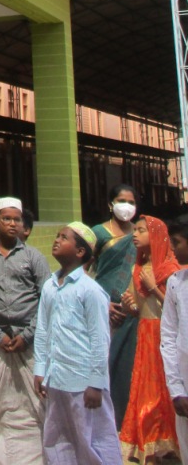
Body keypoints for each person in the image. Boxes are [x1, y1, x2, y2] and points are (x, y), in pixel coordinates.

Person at [33, 221, 121, 465]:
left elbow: (100, 339)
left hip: (84, 383)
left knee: (93, 440)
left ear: (81, 251)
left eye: (64, 237)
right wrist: (40, 369)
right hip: (56, 379)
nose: (57, 240)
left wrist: (96, 383)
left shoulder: (90, 290)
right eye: (57, 236)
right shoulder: (49, 286)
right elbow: (43, 329)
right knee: (58, 439)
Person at [0, 196, 50, 465]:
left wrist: (27, 335)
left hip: (30, 343)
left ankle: (41, 453)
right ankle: (4, 453)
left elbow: (47, 299)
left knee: (38, 400)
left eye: (17, 219)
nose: (13, 224)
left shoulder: (33, 257)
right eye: (7, 219)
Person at [119, 215, 180, 463]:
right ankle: (150, 443)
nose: (135, 234)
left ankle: (171, 441)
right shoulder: (138, 269)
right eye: (134, 230)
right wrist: (129, 306)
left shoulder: (171, 270)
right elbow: (137, 309)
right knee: (146, 391)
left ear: (156, 235)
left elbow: (177, 309)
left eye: (141, 230)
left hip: (166, 336)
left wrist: (154, 288)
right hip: (145, 334)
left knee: (166, 389)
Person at [90, 182, 139, 427]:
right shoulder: (98, 233)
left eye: (131, 202)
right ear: (111, 205)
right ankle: (103, 420)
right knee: (103, 363)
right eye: (122, 201)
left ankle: (126, 420)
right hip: (103, 310)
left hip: (134, 311)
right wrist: (103, 304)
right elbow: (84, 272)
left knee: (128, 365)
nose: (126, 206)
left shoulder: (140, 234)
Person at [160, 213, 188, 464]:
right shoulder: (175, 284)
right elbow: (168, 337)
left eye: (177, 242)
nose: (172, 249)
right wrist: (176, 389)